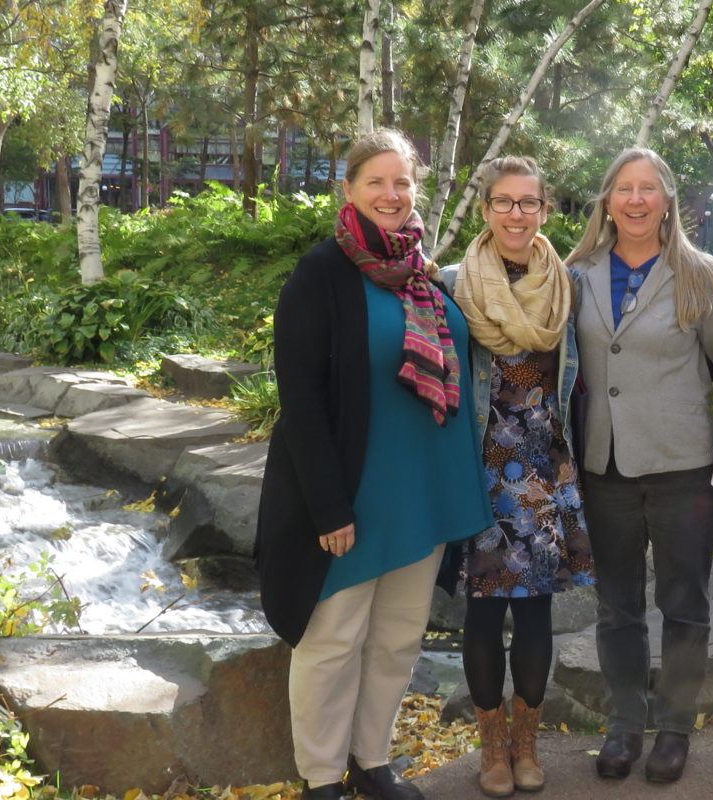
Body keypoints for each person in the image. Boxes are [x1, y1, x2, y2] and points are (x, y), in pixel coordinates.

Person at [255, 129, 493, 800]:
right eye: (375, 182)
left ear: (415, 189)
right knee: (332, 641)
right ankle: (323, 776)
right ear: (350, 189)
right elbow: (299, 399)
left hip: (423, 492)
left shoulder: (425, 272)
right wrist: (328, 505)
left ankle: (372, 759)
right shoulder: (321, 274)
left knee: (396, 640)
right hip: (354, 495)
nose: (390, 194)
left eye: (402, 182)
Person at [565, 147, 713, 784]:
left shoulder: (698, 273)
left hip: (681, 464)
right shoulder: (576, 271)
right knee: (617, 606)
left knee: (685, 602)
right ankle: (624, 724)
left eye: (648, 189)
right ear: (607, 200)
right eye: (623, 189)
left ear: (667, 201)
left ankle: (675, 729)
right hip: (603, 463)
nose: (635, 200)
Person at [440, 156, 592, 797]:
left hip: (544, 471)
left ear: (544, 212)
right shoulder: (452, 284)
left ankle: (525, 744)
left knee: (534, 616)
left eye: (528, 203)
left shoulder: (566, 286)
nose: (516, 214)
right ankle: (491, 748)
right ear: (486, 210)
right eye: (504, 202)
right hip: (479, 469)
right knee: (482, 613)